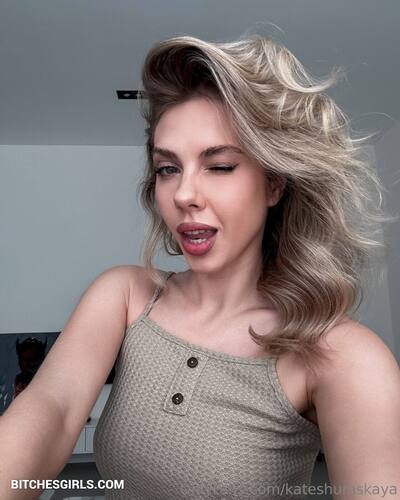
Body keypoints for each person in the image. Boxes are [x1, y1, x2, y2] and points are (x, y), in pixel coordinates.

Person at [0, 33, 399, 500]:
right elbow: (53, 408)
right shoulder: (125, 295)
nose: (184, 194)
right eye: (168, 168)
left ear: (274, 184)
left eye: (220, 166)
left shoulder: (343, 355)